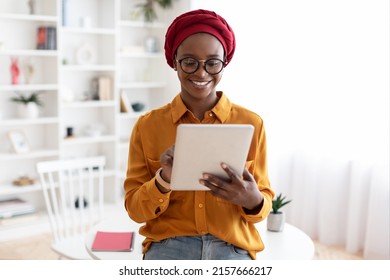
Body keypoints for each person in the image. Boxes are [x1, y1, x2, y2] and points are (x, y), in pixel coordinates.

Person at [124, 9, 274, 260]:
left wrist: (252, 199)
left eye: (213, 62)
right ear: (174, 61)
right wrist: (163, 180)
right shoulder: (147, 126)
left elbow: (263, 204)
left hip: (232, 248)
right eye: (190, 61)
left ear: (225, 62)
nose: (202, 73)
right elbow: (135, 210)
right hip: (169, 247)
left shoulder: (252, 124)